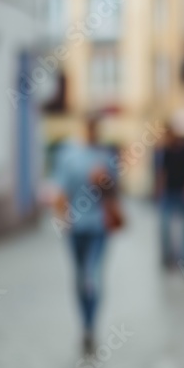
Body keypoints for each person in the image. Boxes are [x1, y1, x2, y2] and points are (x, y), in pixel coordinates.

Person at [52, 115, 121, 355]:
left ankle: (91, 326)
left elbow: (115, 191)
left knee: (93, 275)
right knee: (81, 278)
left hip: (98, 226)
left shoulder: (106, 156)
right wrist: (61, 216)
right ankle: (84, 323)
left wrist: (104, 181)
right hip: (75, 227)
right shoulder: (68, 156)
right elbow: (59, 191)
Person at [153, 123, 184, 271]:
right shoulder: (164, 151)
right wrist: (159, 191)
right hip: (169, 193)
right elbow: (162, 173)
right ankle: (168, 258)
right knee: (165, 226)